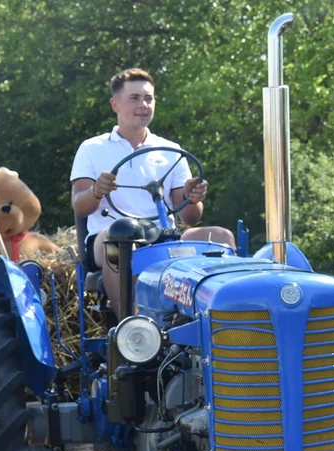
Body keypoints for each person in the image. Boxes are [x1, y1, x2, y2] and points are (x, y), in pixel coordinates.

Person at [70, 68, 234, 316]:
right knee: (121, 233)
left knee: (220, 235)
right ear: (115, 104)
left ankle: (225, 319)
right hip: (113, 238)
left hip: (163, 237)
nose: (143, 105)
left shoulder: (170, 150)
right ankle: (133, 328)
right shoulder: (92, 148)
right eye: (134, 98)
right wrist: (96, 191)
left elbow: (191, 217)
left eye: (149, 98)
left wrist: (192, 196)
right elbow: (79, 205)